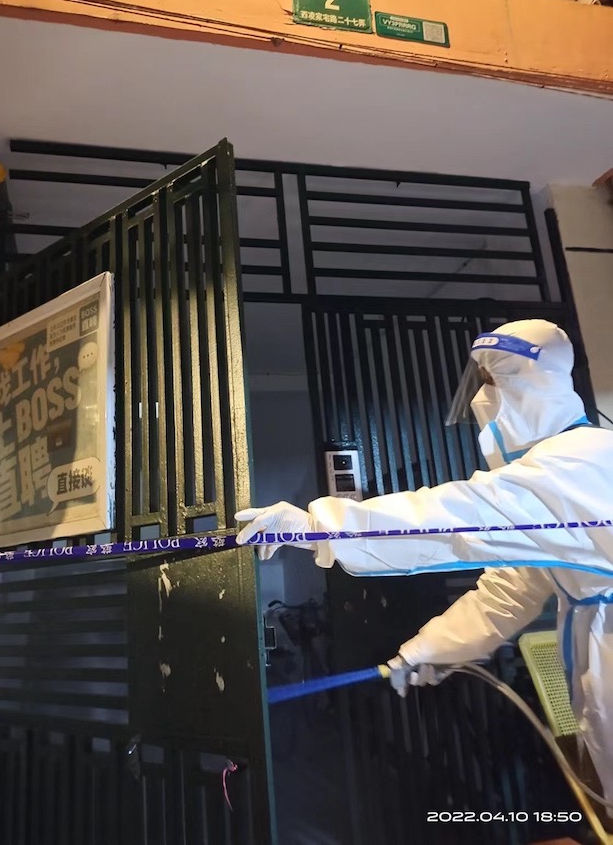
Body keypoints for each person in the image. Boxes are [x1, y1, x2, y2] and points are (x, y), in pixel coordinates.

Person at [236, 320, 613, 806]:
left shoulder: (581, 464)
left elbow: (454, 517)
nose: (481, 401)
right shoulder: (557, 475)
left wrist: (314, 526)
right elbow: (511, 590)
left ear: (526, 385)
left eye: (490, 384)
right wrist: (430, 649)